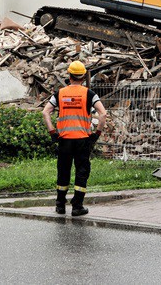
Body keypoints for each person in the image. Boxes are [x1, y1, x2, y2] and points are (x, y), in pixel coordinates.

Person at [42, 60, 107, 216]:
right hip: (83, 140)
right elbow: (103, 114)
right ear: (83, 77)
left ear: (69, 75)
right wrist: (96, 134)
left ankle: (60, 205)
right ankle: (77, 206)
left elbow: (45, 112)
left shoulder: (60, 93)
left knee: (63, 171)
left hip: (64, 139)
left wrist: (52, 132)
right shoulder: (89, 94)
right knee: (82, 171)